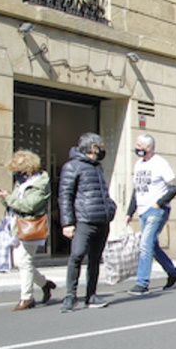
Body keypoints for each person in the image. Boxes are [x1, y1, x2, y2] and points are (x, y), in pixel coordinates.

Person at [58, 132, 117, 313]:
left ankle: (91, 294)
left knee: (94, 260)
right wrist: (67, 223)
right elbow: (65, 196)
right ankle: (70, 296)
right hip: (84, 221)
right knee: (77, 256)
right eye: (100, 145)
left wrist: (110, 207)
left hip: (101, 220)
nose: (102, 148)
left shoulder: (97, 167)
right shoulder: (72, 167)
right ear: (93, 147)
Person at [0, 150, 55, 311]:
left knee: (23, 260)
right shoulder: (22, 183)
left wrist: (8, 197)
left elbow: (29, 205)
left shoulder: (40, 183)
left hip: (31, 226)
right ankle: (44, 283)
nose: (16, 173)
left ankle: (27, 298)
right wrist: (4, 198)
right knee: (20, 262)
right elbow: (14, 203)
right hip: (17, 224)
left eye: (19, 170)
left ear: (28, 168)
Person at [126, 134, 176, 295]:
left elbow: (174, 187)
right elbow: (136, 190)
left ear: (148, 147)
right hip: (143, 210)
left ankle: (142, 283)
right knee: (152, 245)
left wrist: (158, 203)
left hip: (156, 210)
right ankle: (173, 272)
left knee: (145, 245)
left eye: (139, 145)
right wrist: (130, 212)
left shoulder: (160, 163)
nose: (137, 148)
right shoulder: (138, 165)